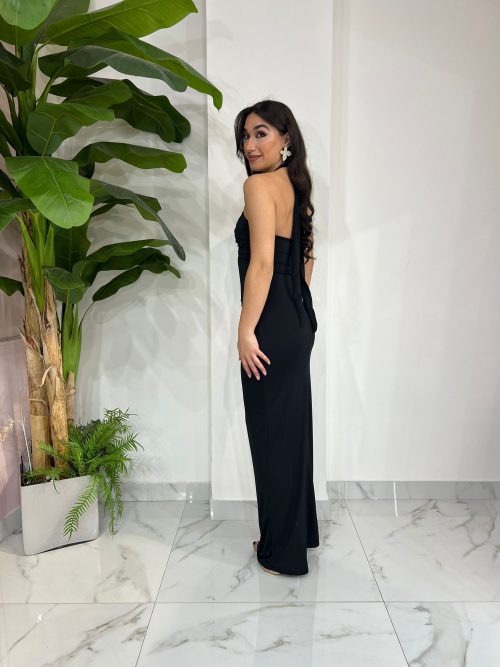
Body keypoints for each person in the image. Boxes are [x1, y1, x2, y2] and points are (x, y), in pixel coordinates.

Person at [233, 100, 319, 576]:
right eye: (246, 136)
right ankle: (297, 534)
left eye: (261, 133)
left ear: (286, 138)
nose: (250, 145)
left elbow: (262, 264)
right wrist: (295, 309)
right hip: (297, 320)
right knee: (292, 434)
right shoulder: (296, 185)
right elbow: (306, 257)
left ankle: (281, 551)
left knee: (271, 438)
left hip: (269, 324)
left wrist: (247, 329)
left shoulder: (258, 186)